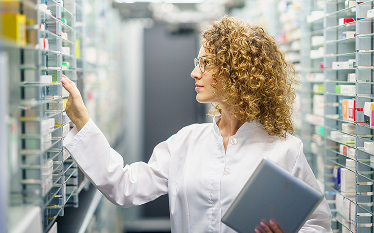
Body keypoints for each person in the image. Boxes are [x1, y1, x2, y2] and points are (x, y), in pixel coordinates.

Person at [62, 16, 332, 233]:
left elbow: (318, 223)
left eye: (205, 63)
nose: (194, 72)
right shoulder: (187, 141)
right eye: (197, 62)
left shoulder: (285, 149)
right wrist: (83, 122)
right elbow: (124, 186)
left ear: (235, 71)